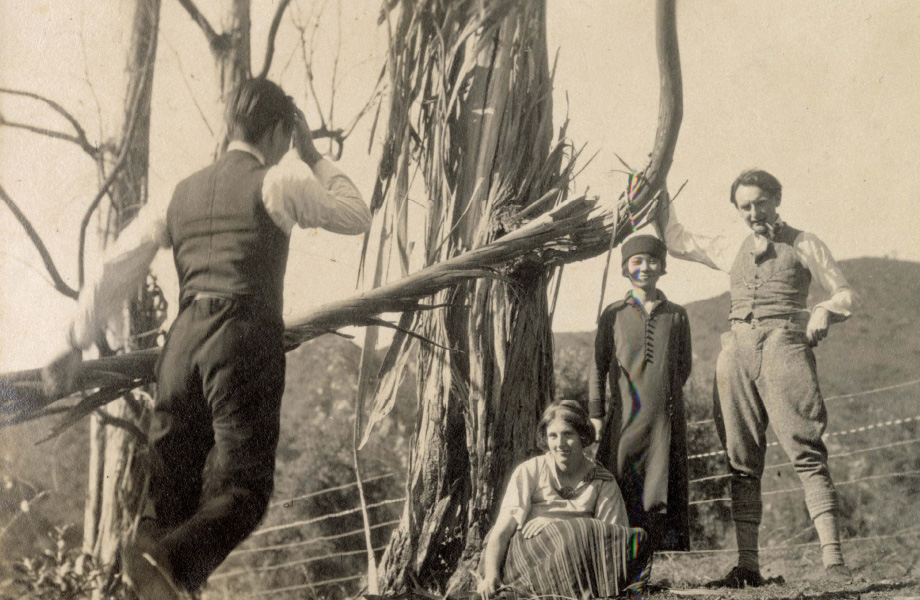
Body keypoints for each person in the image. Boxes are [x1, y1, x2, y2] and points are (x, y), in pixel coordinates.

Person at [41, 78, 371, 599]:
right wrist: (313, 157)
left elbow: (119, 263)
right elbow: (356, 216)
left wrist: (76, 336)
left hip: (182, 344)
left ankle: (153, 565)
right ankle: (164, 560)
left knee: (166, 499)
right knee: (243, 490)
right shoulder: (280, 181)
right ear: (282, 130)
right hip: (241, 340)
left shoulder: (180, 191)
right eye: (289, 136)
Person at [656, 169, 859, 587]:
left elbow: (845, 293)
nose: (753, 212)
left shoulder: (804, 242)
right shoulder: (733, 244)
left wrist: (823, 310)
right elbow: (676, 240)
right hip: (737, 353)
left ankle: (835, 564)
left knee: (807, 452)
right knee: (741, 462)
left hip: (785, 345)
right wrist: (657, 187)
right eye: (744, 206)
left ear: (776, 199)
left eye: (760, 203)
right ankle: (748, 566)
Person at [477, 399, 651, 600]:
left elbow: (612, 538)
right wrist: (491, 576)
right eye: (553, 436)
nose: (559, 444)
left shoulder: (603, 481)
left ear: (583, 436)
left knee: (628, 538)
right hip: (530, 558)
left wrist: (559, 525)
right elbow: (501, 531)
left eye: (568, 435)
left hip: (579, 562)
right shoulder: (530, 471)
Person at [589, 234, 692, 554]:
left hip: (663, 420)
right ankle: (617, 563)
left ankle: (649, 565)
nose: (644, 267)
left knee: (659, 490)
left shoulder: (677, 314)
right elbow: (597, 366)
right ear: (625, 268)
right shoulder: (613, 314)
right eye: (637, 261)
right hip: (623, 421)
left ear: (662, 266)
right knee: (620, 486)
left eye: (652, 260)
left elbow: (683, 366)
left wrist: (662, 394)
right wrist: (596, 414)